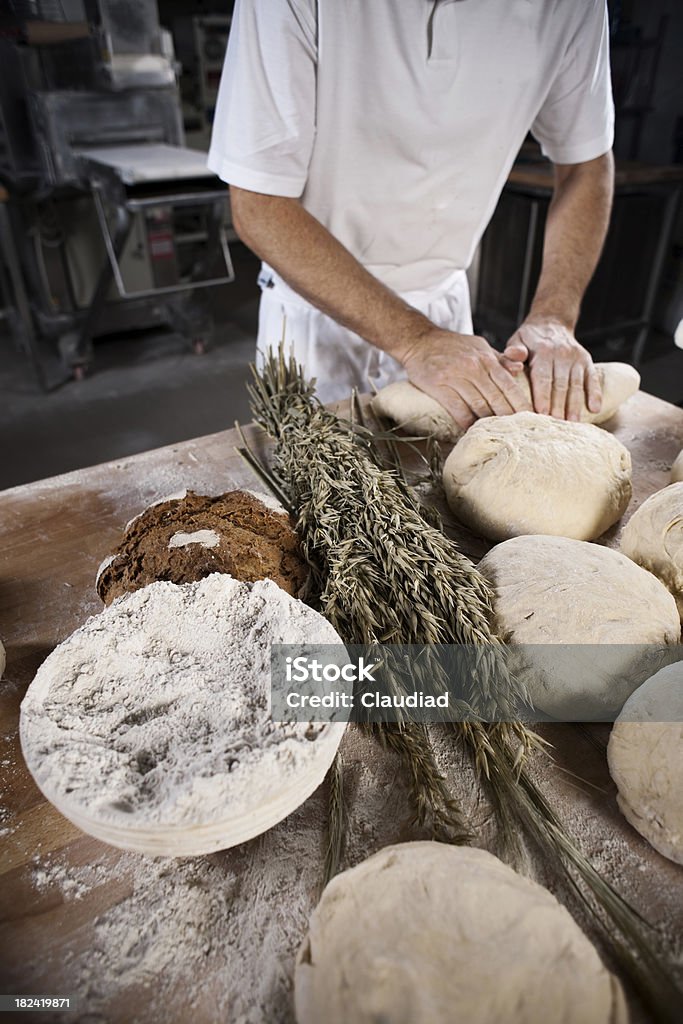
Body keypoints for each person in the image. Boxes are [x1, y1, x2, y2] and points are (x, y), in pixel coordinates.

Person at [208, 0, 615, 428]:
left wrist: (554, 317)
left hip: (448, 324)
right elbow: (259, 205)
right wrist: (415, 340)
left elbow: (586, 165)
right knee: (313, 483)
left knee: (448, 487)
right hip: (315, 326)